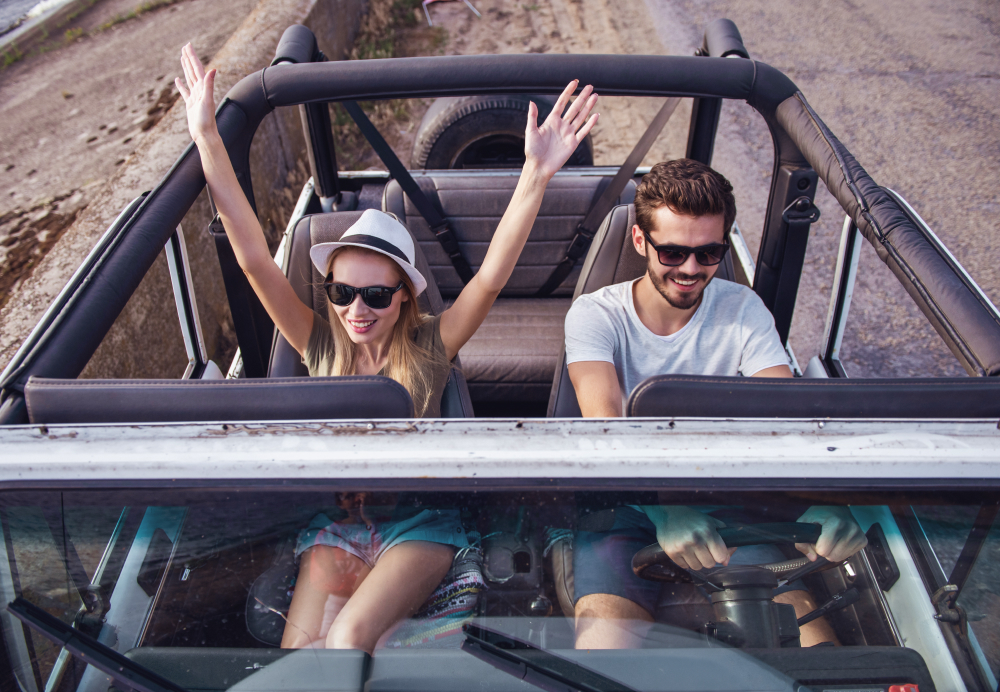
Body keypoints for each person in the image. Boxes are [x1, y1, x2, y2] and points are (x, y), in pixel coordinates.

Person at [176, 43, 598, 652]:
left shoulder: (432, 345)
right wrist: (208, 138)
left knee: (346, 640)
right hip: (336, 530)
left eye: (376, 293)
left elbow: (491, 279)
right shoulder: (316, 340)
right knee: (301, 655)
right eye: (343, 292)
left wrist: (535, 174)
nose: (357, 309)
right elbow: (249, 257)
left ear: (404, 296)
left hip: (419, 526)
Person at [563, 159, 867, 648]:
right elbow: (607, 431)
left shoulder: (743, 309)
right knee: (604, 654)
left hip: (730, 503)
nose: (690, 269)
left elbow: (785, 421)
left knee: (814, 652)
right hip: (625, 505)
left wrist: (822, 503)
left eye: (708, 253)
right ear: (641, 242)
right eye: (673, 252)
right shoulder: (596, 315)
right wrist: (665, 509)